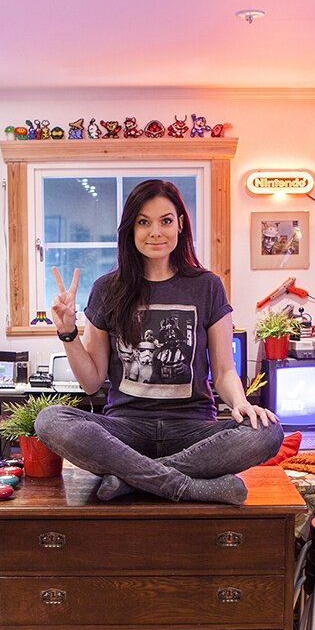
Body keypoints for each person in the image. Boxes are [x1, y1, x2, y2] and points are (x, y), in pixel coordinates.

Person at [34, 179, 284, 504]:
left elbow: (224, 371)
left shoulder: (207, 286)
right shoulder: (107, 289)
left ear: (180, 224)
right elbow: (91, 382)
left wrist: (241, 403)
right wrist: (68, 332)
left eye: (165, 220)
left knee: (268, 431)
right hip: (125, 430)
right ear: (131, 229)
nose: (155, 232)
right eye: (143, 222)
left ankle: (131, 481)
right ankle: (187, 487)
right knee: (50, 419)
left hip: (193, 429)